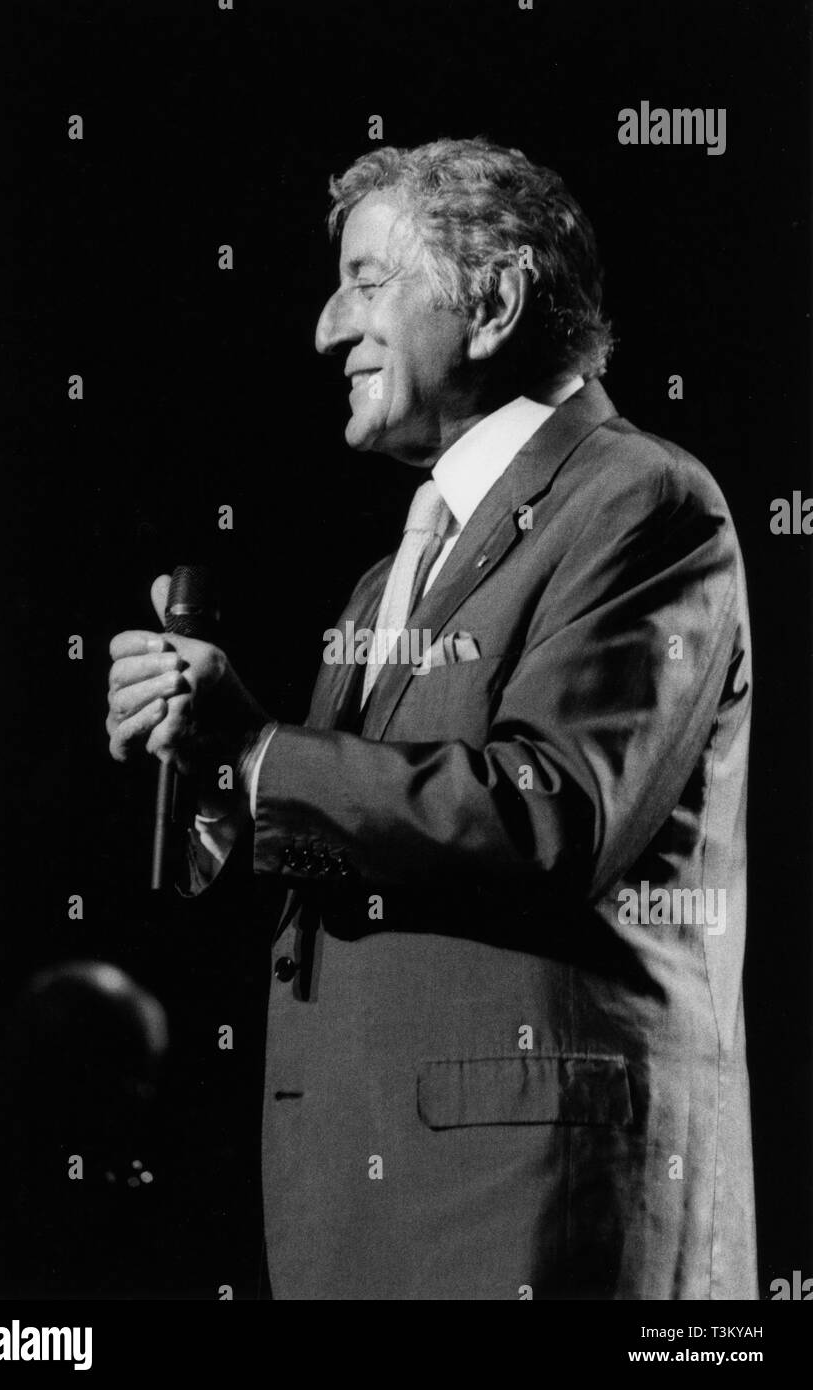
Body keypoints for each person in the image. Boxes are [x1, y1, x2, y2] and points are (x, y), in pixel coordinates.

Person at [106, 137, 757, 1300]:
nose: (323, 329)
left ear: (495, 300)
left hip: (528, 1203)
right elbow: (337, 835)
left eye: (364, 281)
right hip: (356, 1201)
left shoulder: (641, 502)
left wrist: (260, 751)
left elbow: (555, 811)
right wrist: (209, 774)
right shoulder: (385, 577)